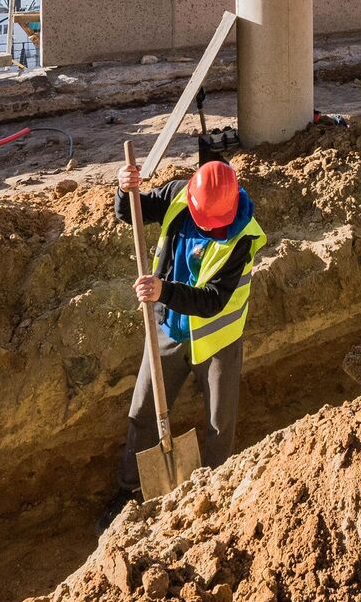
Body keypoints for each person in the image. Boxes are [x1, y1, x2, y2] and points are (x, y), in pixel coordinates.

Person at [111, 158, 265, 509]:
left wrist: (162, 290)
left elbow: (213, 300)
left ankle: (211, 495)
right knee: (144, 411)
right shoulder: (181, 194)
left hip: (217, 339)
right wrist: (124, 190)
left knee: (219, 423)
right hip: (168, 328)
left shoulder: (243, 236)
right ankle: (131, 493)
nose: (209, 227)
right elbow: (131, 213)